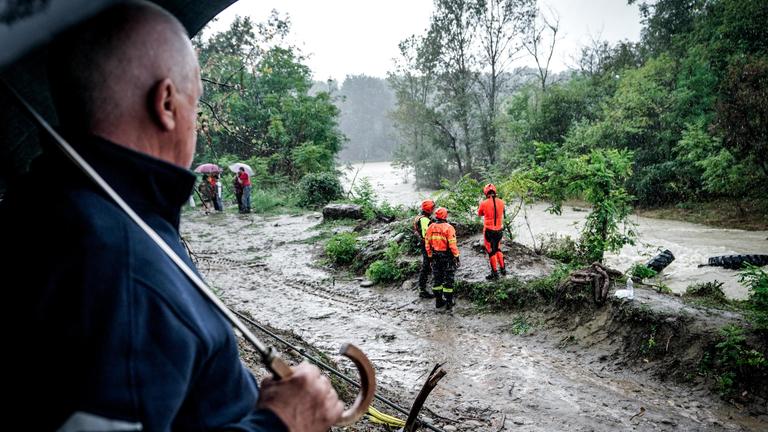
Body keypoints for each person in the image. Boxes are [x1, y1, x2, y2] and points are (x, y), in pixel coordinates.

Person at [0, 2, 343, 431]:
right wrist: (280, 421)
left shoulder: (46, 214)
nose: (194, 124)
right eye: (194, 104)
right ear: (165, 102)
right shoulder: (121, 265)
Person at [424, 207, 460, 310]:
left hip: (435, 257)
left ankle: (438, 301)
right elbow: (452, 245)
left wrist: (430, 256)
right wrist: (457, 256)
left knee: (437, 279)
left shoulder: (431, 227)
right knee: (448, 279)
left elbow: (427, 244)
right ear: (445, 216)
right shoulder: (449, 228)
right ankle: (449, 302)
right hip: (447, 257)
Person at [478, 183, 506, 280]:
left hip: (489, 230)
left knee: (491, 251)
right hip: (499, 230)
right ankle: (503, 269)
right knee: (498, 248)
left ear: (486, 192)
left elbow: (480, 214)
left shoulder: (483, 203)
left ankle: (494, 273)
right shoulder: (501, 202)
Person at [412, 199, 436, 299]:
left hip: (423, 244)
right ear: (429, 209)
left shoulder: (419, 217)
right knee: (426, 265)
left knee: (427, 265)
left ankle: (424, 287)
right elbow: (427, 235)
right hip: (426, 245)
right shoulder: (425, 220)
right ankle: (422, 289)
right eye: (433, 208)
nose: (434, 210)